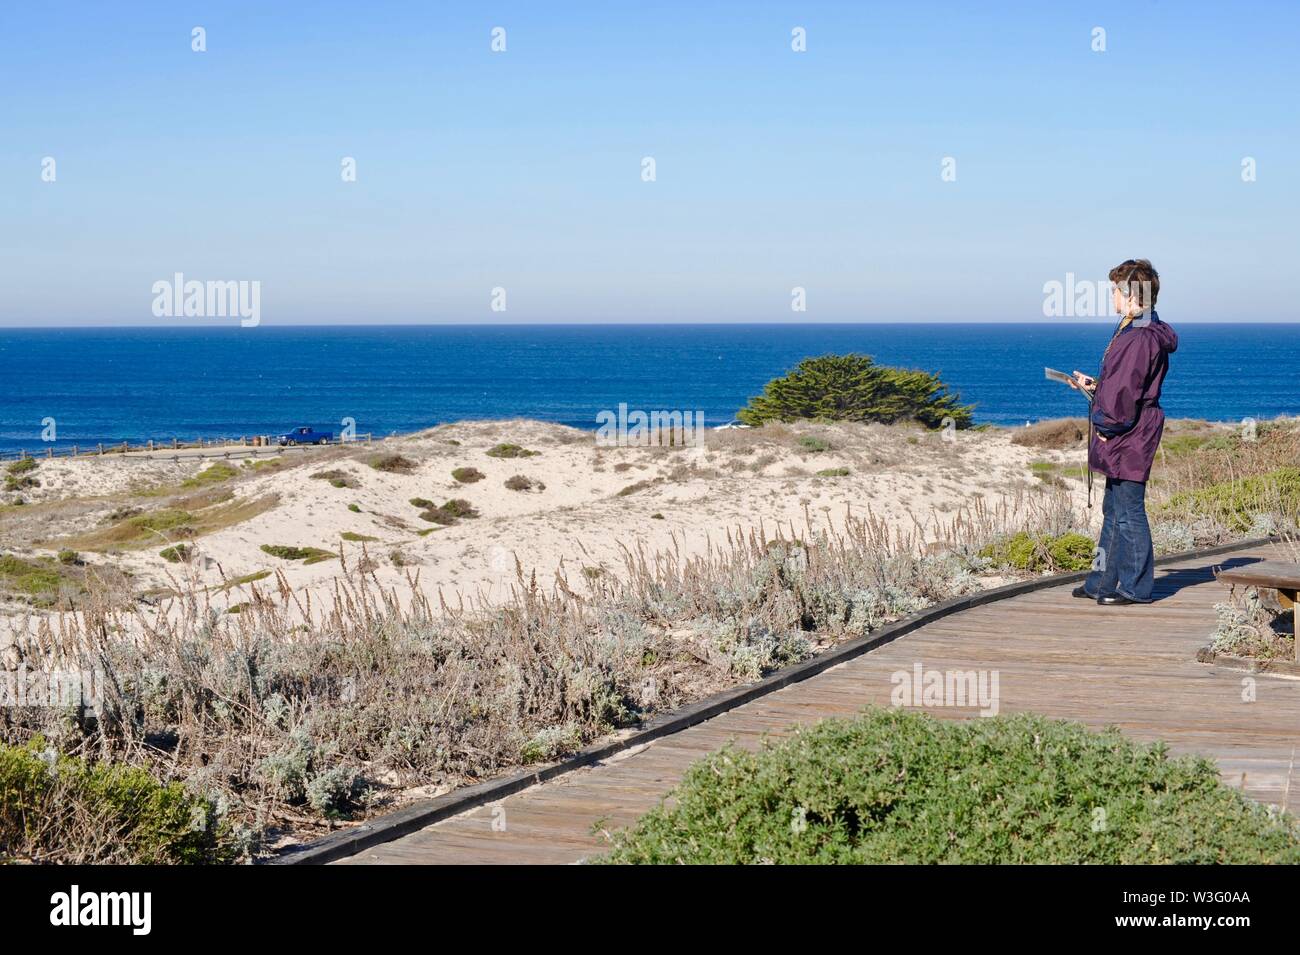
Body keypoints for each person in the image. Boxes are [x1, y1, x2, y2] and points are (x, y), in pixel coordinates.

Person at [1069, 259, 1178, 605]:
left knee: (1129, 509)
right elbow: (1122, 386)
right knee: (1113, 507)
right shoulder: (1137, 329)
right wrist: (1096, 386)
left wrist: (1106, 425)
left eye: (1115, 290)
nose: (1112, 296)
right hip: (1129, 427)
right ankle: (1101, 582)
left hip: (1130, 431)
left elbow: (1127, 395)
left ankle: (1135, 587)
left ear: (1131, 294)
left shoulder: (1140, 336)